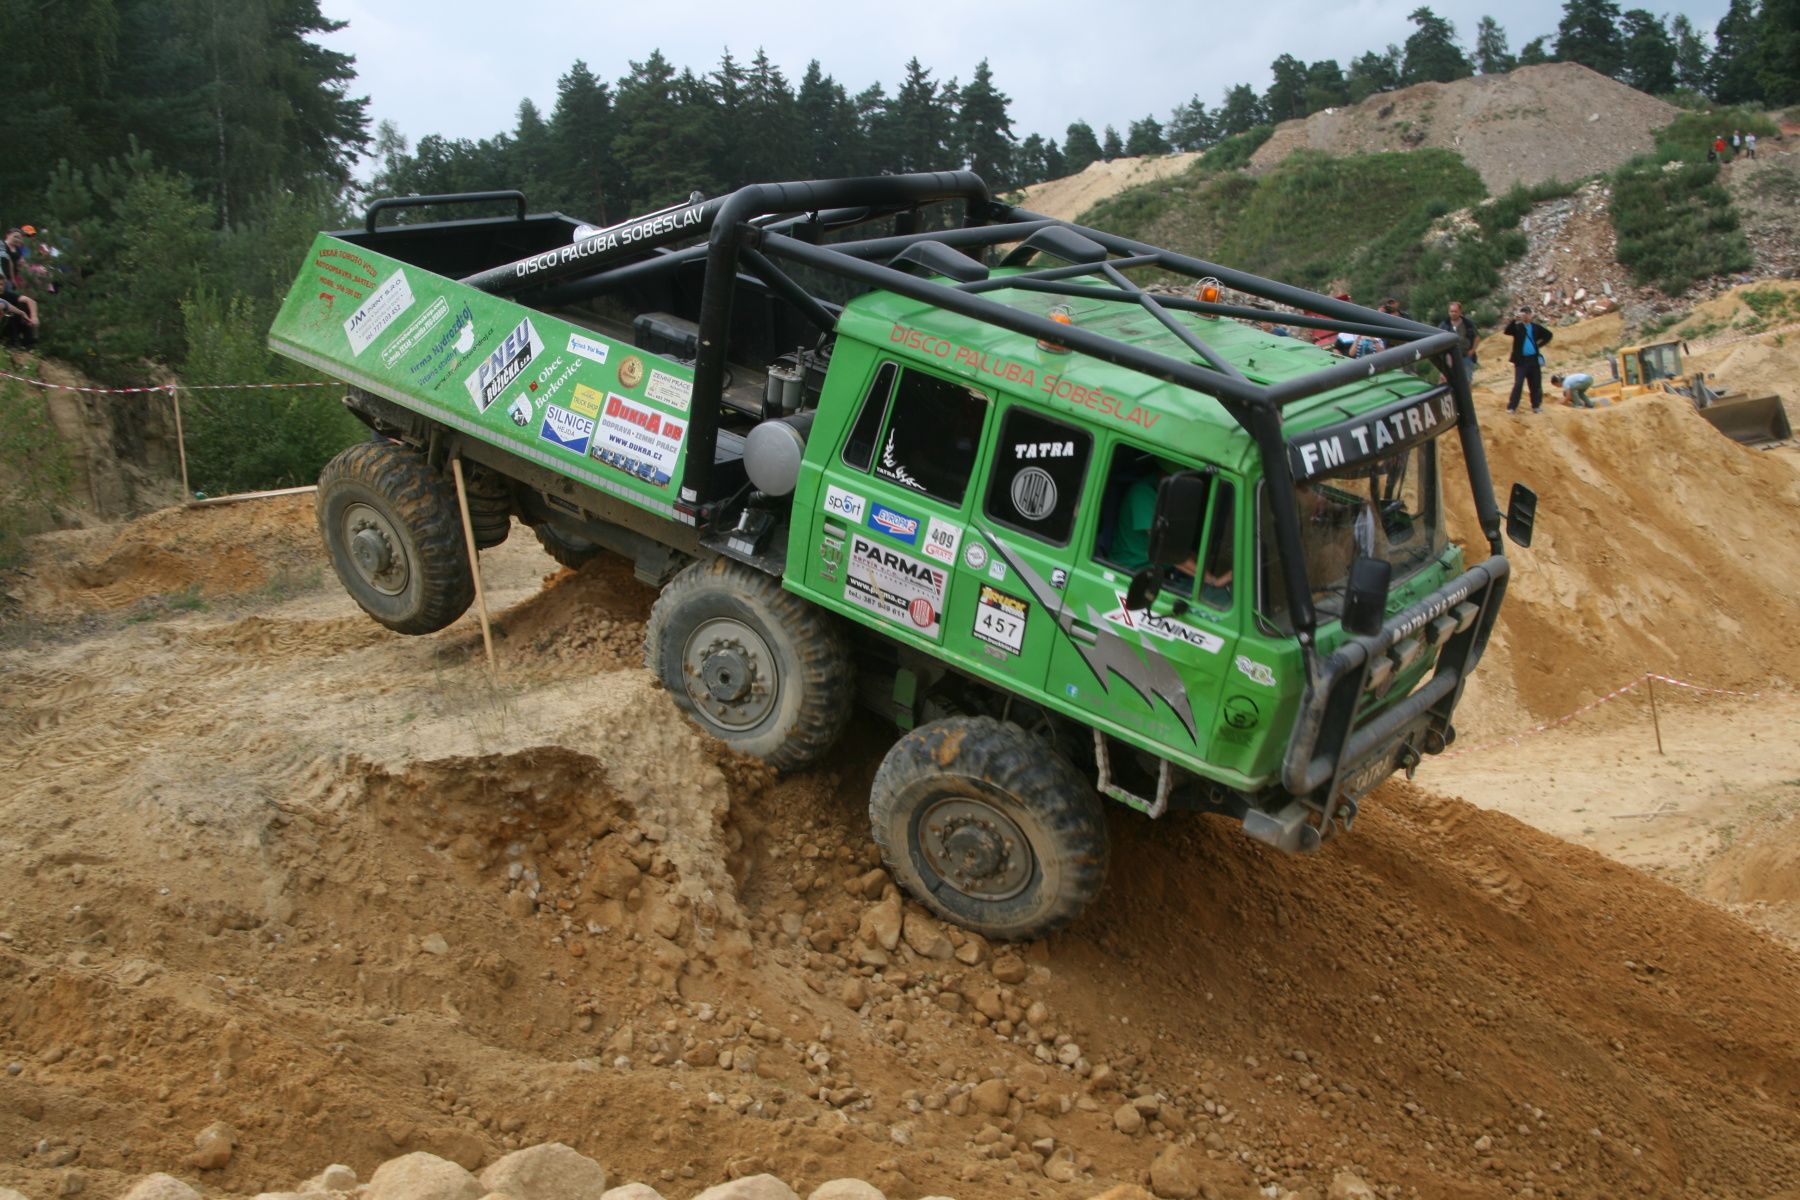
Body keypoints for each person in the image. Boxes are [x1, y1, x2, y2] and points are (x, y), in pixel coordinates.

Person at [1502, 306, 1553, 412]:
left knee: (1535, 384)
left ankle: (1536, 406)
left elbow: (1548, 335)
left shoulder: (1536, 327)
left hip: (1533, 359)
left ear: (1531, 315)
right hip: (1521, 361)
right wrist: (1514, 320)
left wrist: (1539, 345)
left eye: (1527, 314)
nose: (1526, 316)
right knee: (1518, 384)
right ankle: (1512, 407)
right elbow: (1507, 331)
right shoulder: (1518, 327)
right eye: (1523, 314)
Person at [1438, 301, 1479, 380]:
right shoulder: (1444, 325)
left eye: (1455, 311)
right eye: (1451, 311)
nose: (1453, 313)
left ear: (1460, 311)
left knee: (1467, 380)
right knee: (1446, 379)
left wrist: (1472, 350)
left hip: (1465, 356)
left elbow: (1477, 337)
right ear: (1448, 312)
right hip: (1449, 357)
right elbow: (1438, 340)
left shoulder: (1468, 324)